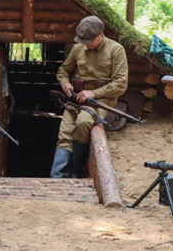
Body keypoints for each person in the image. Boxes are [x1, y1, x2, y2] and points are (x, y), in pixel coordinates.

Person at [50, 16, 127, 178]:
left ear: (101, 34)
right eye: (83, 40)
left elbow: (120, 84)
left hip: (100, 100)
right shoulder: (78, 49)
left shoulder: (116, 50)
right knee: (64, 132)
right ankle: (56, 176)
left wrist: (94, 93)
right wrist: (65, 83)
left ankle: (75, 172)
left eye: (89, 40)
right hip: (75, 99)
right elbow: (63, 71)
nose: (86, 43)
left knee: (84, 122)